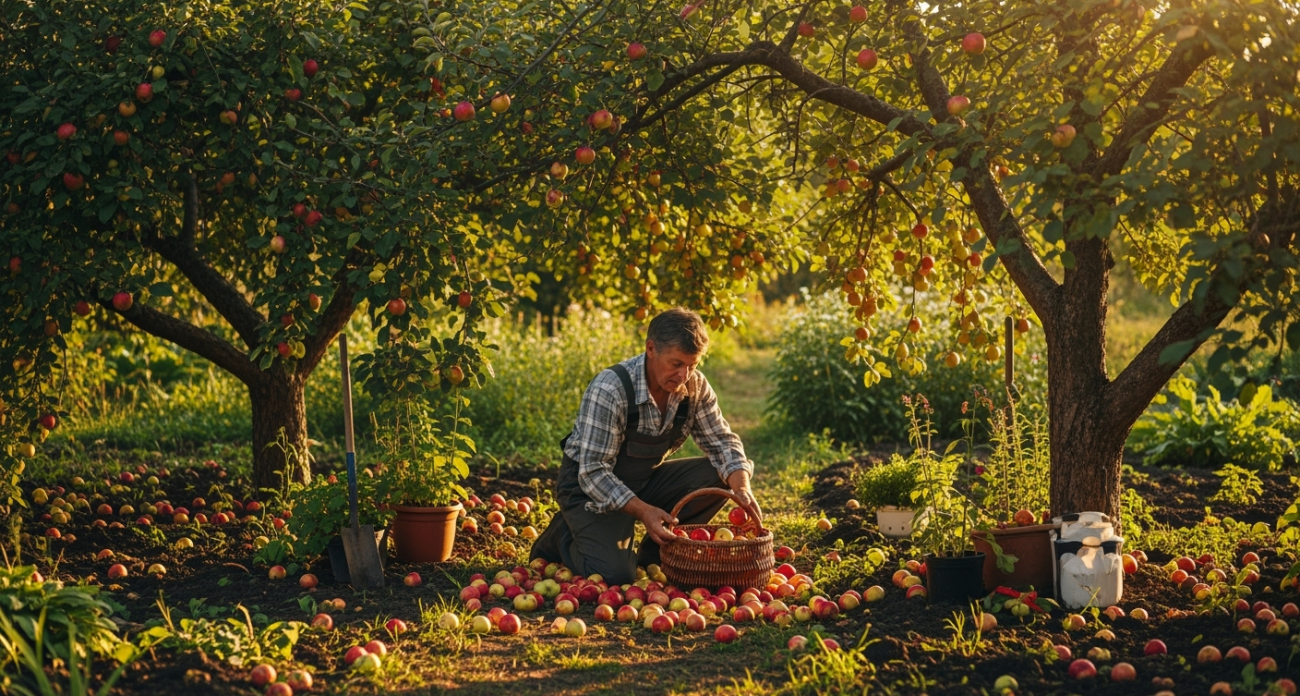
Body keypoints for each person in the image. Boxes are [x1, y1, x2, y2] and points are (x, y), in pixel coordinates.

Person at [528, 307, 759, 585]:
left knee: (721, 475)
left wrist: (742, 488)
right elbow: (593, 472)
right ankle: (564, 535)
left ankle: (658, 553)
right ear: (651, 348)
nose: (684, 374)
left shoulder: (694, 386)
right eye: (676, 363)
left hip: (643, 480)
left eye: (692, 364)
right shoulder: (611, 388)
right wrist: (643, 511)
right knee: (616, 575)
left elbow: (723, 444)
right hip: (589, 489)